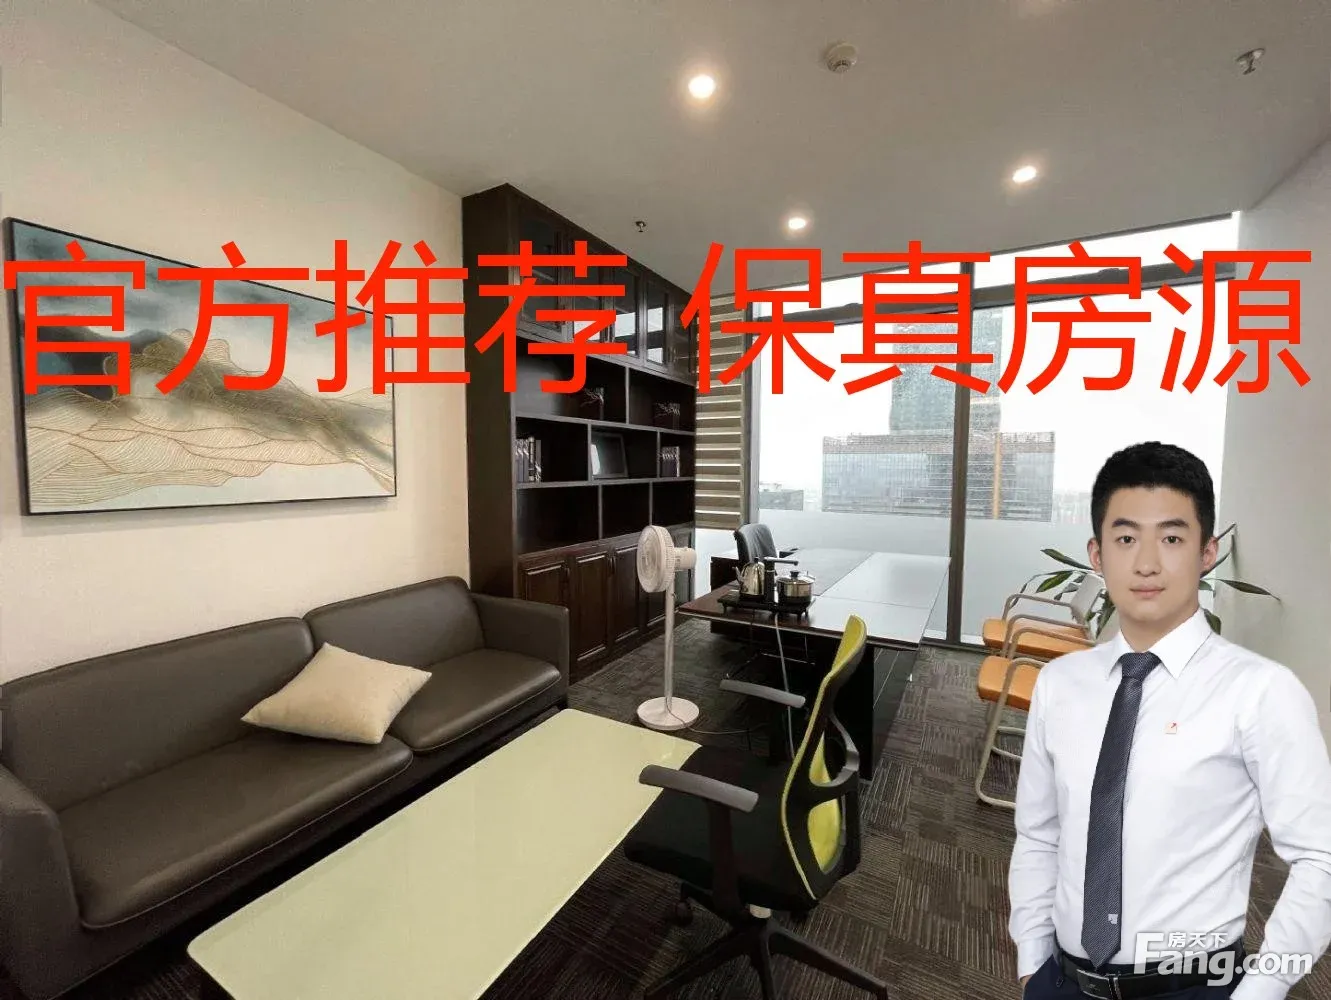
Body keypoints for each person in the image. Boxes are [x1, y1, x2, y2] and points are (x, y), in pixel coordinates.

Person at [1008, 441, 1331, 999]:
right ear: (1097, 554)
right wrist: (1032, 960)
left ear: (1207, 552)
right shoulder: (1060, 684)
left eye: (1172, 538)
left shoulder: (1260, 692)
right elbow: (1039, 833)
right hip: (1062, 982)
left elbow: (1321, 857)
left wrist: (1262, 988)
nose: (1147, 563)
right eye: (1126, 538)